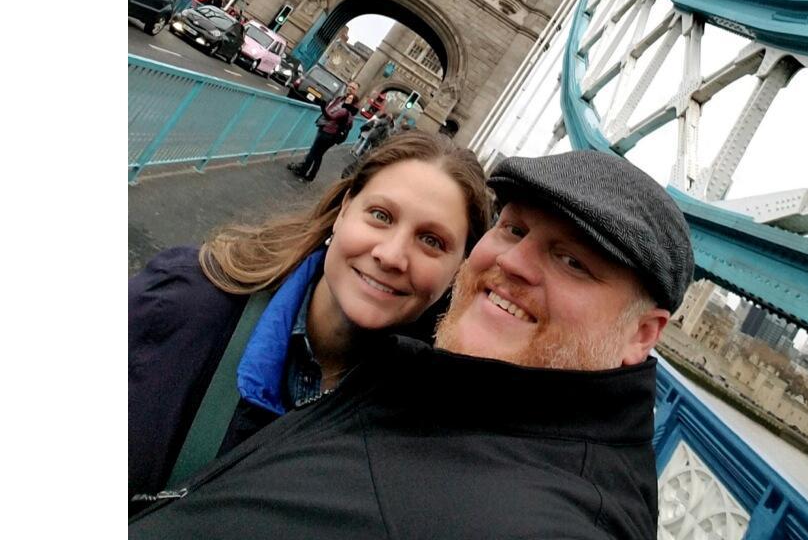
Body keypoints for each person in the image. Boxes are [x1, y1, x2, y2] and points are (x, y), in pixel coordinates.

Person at [128, 150, 693, 538]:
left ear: (642, 335)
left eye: (573, 261)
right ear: (341, 208)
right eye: (514, 230)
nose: (513, 263)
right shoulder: (417, 387)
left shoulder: (555, 511)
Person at [129, 131, 492, 507]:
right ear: (345, 208)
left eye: (432, 241)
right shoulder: (180, 301)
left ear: (459, 269)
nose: (391, 255)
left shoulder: (427, 440)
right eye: (381, 216)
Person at [287, 92, 355, 182]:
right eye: (348, 98)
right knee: (319, 156)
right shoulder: (351, 115)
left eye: (350, 99)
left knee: (313, 153)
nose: (347, 99)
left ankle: (303, 172)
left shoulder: (344, 111)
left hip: (327, 133)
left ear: (352, 102)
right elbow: (350, 126)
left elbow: (330, 116)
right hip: (333, 137)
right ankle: (311, 176)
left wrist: (323, 107)